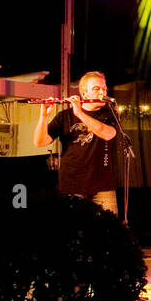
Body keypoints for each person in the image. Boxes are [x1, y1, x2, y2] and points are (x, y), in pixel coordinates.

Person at [33, 71, 119, 215]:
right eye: (97, 89)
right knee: (74, 230)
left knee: (110, 229)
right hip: (72, 185)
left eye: (104, 88)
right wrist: (44, 116)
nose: (102, 92)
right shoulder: (64, 116)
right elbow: (40, 142)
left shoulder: (109, 113)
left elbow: (107, 134)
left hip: (103, 185)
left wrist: (79, 113)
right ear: (84, 94)